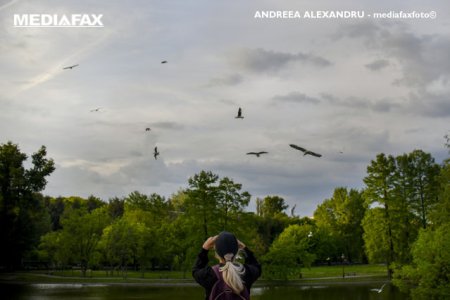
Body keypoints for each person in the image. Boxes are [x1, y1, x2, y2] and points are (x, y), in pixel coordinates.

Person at [192, 231, 261, 299]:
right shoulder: (246, 272)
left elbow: (196, 270)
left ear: (216, 254)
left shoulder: (209, 274)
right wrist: (245, 248)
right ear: (236, 252)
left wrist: (204, 248)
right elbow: (257, 266)